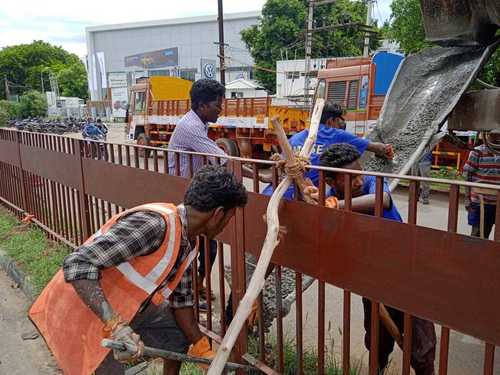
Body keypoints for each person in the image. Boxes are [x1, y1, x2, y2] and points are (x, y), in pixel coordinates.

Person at [29, 165, 248, 375]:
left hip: (122, 313)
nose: (228, 224)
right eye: (230, 217)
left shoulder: (189, 243)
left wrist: (202, 348)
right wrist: (115, 324)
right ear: (219, 214)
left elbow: (182, 301)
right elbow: (77, 263)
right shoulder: (155, 225)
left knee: (177, 334)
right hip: (83, 311)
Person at [304, 143, 436, 375]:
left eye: (359, 172)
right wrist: (313, 197)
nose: (357, 181)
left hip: (406, 271)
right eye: (349, 177)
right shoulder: (329, 194)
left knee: (421, 345)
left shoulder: (371, 183)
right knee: (377, 339)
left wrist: (336, 205)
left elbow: (381, 200)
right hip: (371, 277)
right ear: (333, 182)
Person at [167, 79, 228, 301]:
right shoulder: (191, 127)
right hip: (184, 195)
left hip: (194, 192)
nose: (221, 109)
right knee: (194, 247)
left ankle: (196, 286)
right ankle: (188, 293)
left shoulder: (198, 123)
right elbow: (221, 159)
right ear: (202, 105)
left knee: (208, 246)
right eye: (217, 105)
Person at [261, 101, 394, 199]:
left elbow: (281, 166)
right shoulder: (336, 134)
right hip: (297, 195)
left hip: (272, 192)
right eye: (340, 120)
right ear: (331, 121)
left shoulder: (295, 137)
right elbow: (378, 148)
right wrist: (387, 150)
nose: (342, 124)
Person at [463, 131, 500, 239]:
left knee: (488, 231)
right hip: (480, 202)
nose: (497, 137)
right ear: (487, 135)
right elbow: (467, 175)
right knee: (477, 233)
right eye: (493, 134)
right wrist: (467, 198)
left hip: (497, 203)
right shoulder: (478, 151)